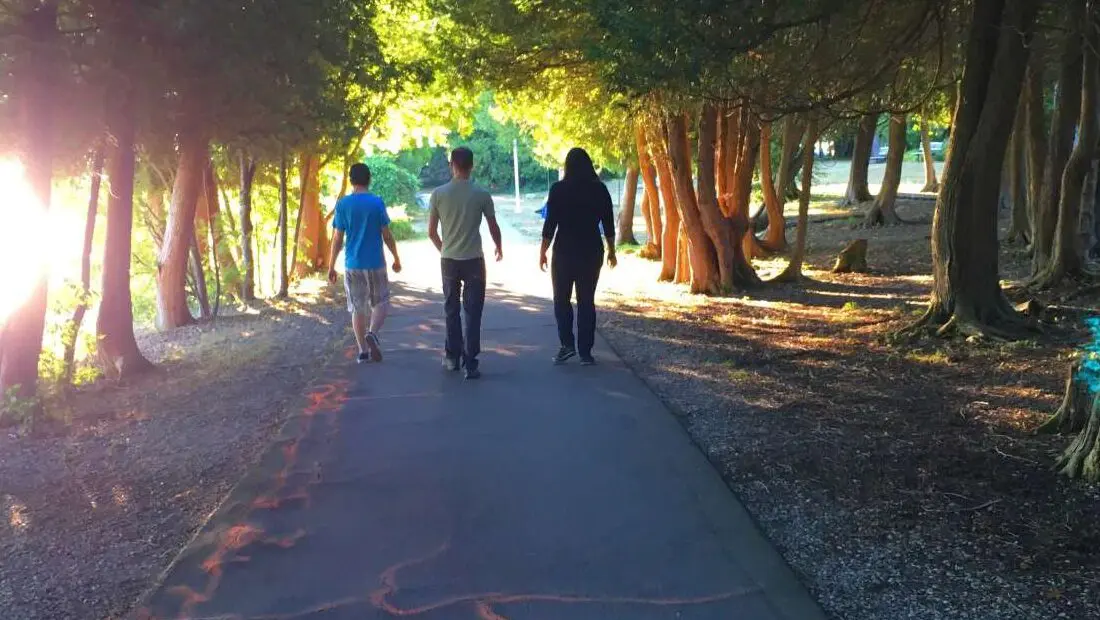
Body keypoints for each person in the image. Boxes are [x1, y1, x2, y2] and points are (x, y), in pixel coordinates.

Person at [428, 147, 503, 380]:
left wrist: (445, 250)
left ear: (452, 165)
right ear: (472, 166)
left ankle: (452, 358)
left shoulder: (438, 194)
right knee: (473, 312)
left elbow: (431, 232)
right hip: (474, 261)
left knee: (451, 309)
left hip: (449, 260)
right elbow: (493, 226)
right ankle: (471, 363)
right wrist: (499, 246)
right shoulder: (481, 194)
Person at [539, 148, 616, 366]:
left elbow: (550, 224)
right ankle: (586, 352)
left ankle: (567, 345)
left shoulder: (558, 189)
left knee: (561, 299)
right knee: (586, 301)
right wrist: (612, 250)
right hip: (591, 251)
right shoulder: (599, 190)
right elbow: (608, 223)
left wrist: (543, 251)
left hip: (564, 252)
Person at [328, 163, 402, 364]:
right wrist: (396, 257)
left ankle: (362, 351)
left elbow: (336, 239)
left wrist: (331, 265)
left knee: (357, 308)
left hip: (353, 263)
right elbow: (386, 235)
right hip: (375, 262)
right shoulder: (376, 203)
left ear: (351, 181)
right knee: (381, 302)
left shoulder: (343, 205)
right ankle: (373, 333)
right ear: (369, 179)